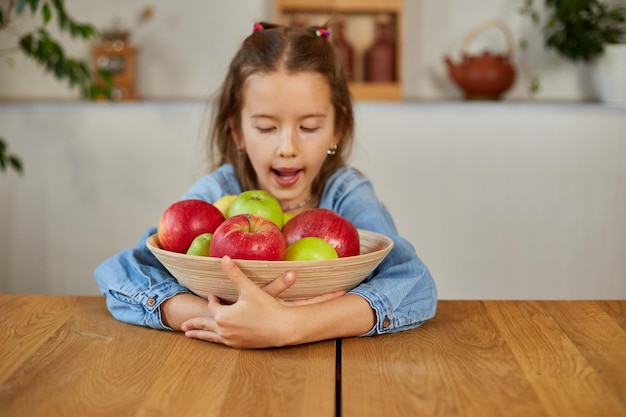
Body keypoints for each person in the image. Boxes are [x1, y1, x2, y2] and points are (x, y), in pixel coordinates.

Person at [94, 22, 437, 349]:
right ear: (238, 131)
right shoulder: (218, 196)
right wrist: (233, 320)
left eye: (309, 127)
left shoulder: (345, 193)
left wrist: (291, 325)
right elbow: (121, 275)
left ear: (337, 129)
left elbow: (415, 286)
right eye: (266, 128)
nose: (287, 147)